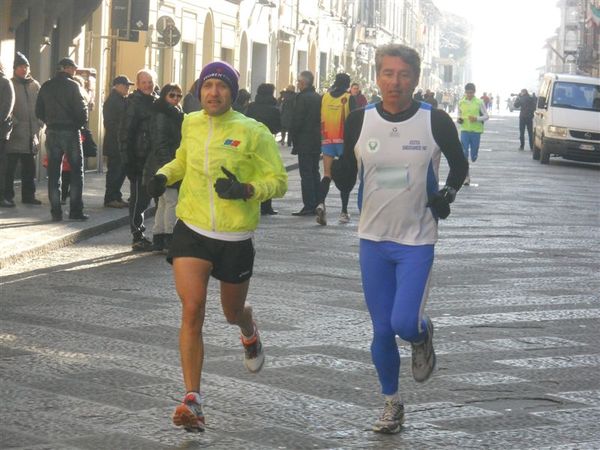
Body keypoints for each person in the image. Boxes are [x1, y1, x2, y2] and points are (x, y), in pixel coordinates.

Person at [331, 43, 468, 434]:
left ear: (415, 79)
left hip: (416, 239)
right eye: (388, 74)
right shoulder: (359, 120)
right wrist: (336, 173)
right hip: (372, 238)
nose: (395, 82)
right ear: (377, 77)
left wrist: (447, 194)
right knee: (380, 329)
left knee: (404, 322)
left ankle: (422, 335)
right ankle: (392, 402)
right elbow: (348, 172)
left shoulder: (435, 121)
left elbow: (459, 166)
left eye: (403, 74)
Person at [145, 61, 287, 433]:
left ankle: (249, 329)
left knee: (230, 311)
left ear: (232, 92)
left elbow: (278, 180)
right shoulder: (190, 122)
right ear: (199, 90)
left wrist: (246, 190)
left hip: (235, 236)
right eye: (207, 85)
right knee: (192, 310)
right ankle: (193, 399)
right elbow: (183, 161)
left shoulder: (254, 132)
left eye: (221, 86)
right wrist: (163, 175)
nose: (213, 92)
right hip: (191, 228)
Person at [35, 57, 88, 221]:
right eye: (74, 68)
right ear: (68, 68)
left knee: (53, 172)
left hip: (51, 131)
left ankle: (56, 212)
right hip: (70, 131)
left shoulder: (46, 86)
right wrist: (78, 124)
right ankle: (75, 211)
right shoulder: (74, 86)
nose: (75, 71)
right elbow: (82, 110)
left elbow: (38, 111)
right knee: (76, 172)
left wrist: (49, 122)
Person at [119, 69, 158, 251]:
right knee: (139, 200)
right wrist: (128, 161)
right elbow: (125, 133)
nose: (148, 85)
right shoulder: (134, 103)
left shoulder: (157, 101)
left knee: (153, 198)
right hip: (139, 158)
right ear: (138, 83)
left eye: (150, 82)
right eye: (144, 82)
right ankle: (137, 235)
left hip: (155, 158)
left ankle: (160, 235)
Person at [142, 83, 184, 252]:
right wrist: (168, 167)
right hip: (164, 163)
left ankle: (159, 237)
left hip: (164, 162)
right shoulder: (162, 114)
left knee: (163, 202)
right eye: (172, 95)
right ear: (164, 96)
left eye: (178, 96)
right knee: (170, 201)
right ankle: (168, 238)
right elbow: (160, 141)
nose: (175, 99)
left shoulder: (173, 112)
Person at [316, 72, 355, 225]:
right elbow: (355, 119)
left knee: (326, 174)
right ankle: (344, 212)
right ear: (348, 84)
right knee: (345, 176)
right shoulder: (349, 98)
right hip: (344, 142)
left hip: (327, 140)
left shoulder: (325, 97)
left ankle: (320, 203)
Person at [5, 52, 42, 205]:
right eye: (20, 66)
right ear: (15, 69)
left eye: (26, 66)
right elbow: (5, 106)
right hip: (14, 134)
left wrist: (40, 122)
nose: (24, 69)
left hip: (31, 135)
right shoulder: (9, 84)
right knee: (10, 169)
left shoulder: (35, 85)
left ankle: (29, 196)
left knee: (29, 169)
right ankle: (7, 195)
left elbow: (41, 106)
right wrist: (14, 122)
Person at [245, 83, 281, 215]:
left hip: (250, 142)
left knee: (251, 171)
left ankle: (250, 198)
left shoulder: (252, 106)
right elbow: (277, 127)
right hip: (267, 143)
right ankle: (266, 206)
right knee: (267, 172)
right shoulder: (274, 109)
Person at [289, 70, 321, 216]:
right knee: (315, 172)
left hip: (304, 140)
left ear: (303, 83)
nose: (297, 84)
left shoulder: (302, 98)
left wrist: (293, 138)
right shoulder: (318, 97)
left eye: (298, 82)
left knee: (306, 174)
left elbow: (297, 120)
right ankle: (317, 202)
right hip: (316, 140)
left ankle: (309, 204)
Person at [103, 75, 133, 208]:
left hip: (120, 142)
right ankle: (111, 198)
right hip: (115, 142)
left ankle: (116, 196)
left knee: (121, 171)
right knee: (115, 171)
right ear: (118, 86)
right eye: (126, 85)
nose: (127, 88)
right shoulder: (113, 100)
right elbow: (111, 123)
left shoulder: (121, 99)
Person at [457, 82, 488, 185]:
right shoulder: (461, 102)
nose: (469, 95)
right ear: (465, 92)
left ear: (474, 92)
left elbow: (486, 116)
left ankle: (475, 154)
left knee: (473, 155)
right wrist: (459, 119)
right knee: (464, 153)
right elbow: (459, 114)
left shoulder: (479, 102)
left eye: (471, 93)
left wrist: (477, 118)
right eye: (467, 93)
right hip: (465, 130)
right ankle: (466, 177)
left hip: (476, 131)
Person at [0, 62, 15, 208]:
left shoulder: (5, 82)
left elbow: (6, 107)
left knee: (1, 166)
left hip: (0, 133)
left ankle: (1, 196)